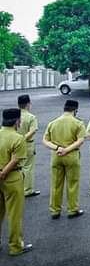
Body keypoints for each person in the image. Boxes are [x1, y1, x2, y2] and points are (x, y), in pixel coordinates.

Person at [42, 99, 86, 219]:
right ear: (75, 110)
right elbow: (80, 140)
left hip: (56, 156)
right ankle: (72, 209)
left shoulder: (53, 123)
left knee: (56, 184)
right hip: (71, 156)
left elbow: (45, 140)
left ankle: (55, 210)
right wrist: (67, 149)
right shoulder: (78, 123)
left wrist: (57, 148)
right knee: (73, 183)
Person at [0, 108, 32, 255]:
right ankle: (15, 246)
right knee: (14, 214)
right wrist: (3, 174)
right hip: (12, 178)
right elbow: (15, 160)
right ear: (17, 121)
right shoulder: (18, 138)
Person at [17, 94, 40, 197]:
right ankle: (27, 190)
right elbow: (33, 130)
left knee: (16, 167)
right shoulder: (31, 117)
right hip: (27, 144)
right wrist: (22, 139)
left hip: (13, 144)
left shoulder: (15, 115)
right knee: (28, 167)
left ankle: (17, 188)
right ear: (28, 104)